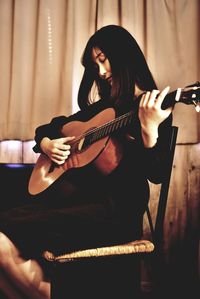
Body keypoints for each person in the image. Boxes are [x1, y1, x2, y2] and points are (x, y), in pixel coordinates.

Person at [0, 24, 173, 299]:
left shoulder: (153, 106)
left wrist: (150, 130)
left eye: (103, 59)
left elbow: (157, 173)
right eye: (95, 65)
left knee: (4, 232)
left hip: (116, 212)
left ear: (123, 55)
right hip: (82, 204)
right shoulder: (102, 108)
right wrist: (46, 143)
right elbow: (52, 126)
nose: (101, 72)